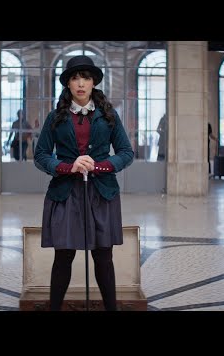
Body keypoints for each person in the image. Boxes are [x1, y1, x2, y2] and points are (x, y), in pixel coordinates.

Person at [34, 55, 134, 311]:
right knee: (63, 255)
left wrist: (100, 166)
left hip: (102, 192)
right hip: (66, 193)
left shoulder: (108, 115)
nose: (80, 83)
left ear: (93, 83)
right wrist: (67, 167)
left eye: (86, 78)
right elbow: (41, 155)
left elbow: (126, 152)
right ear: (67, 83)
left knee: (103, 256)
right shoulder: (55, 117)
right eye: (75, 78)